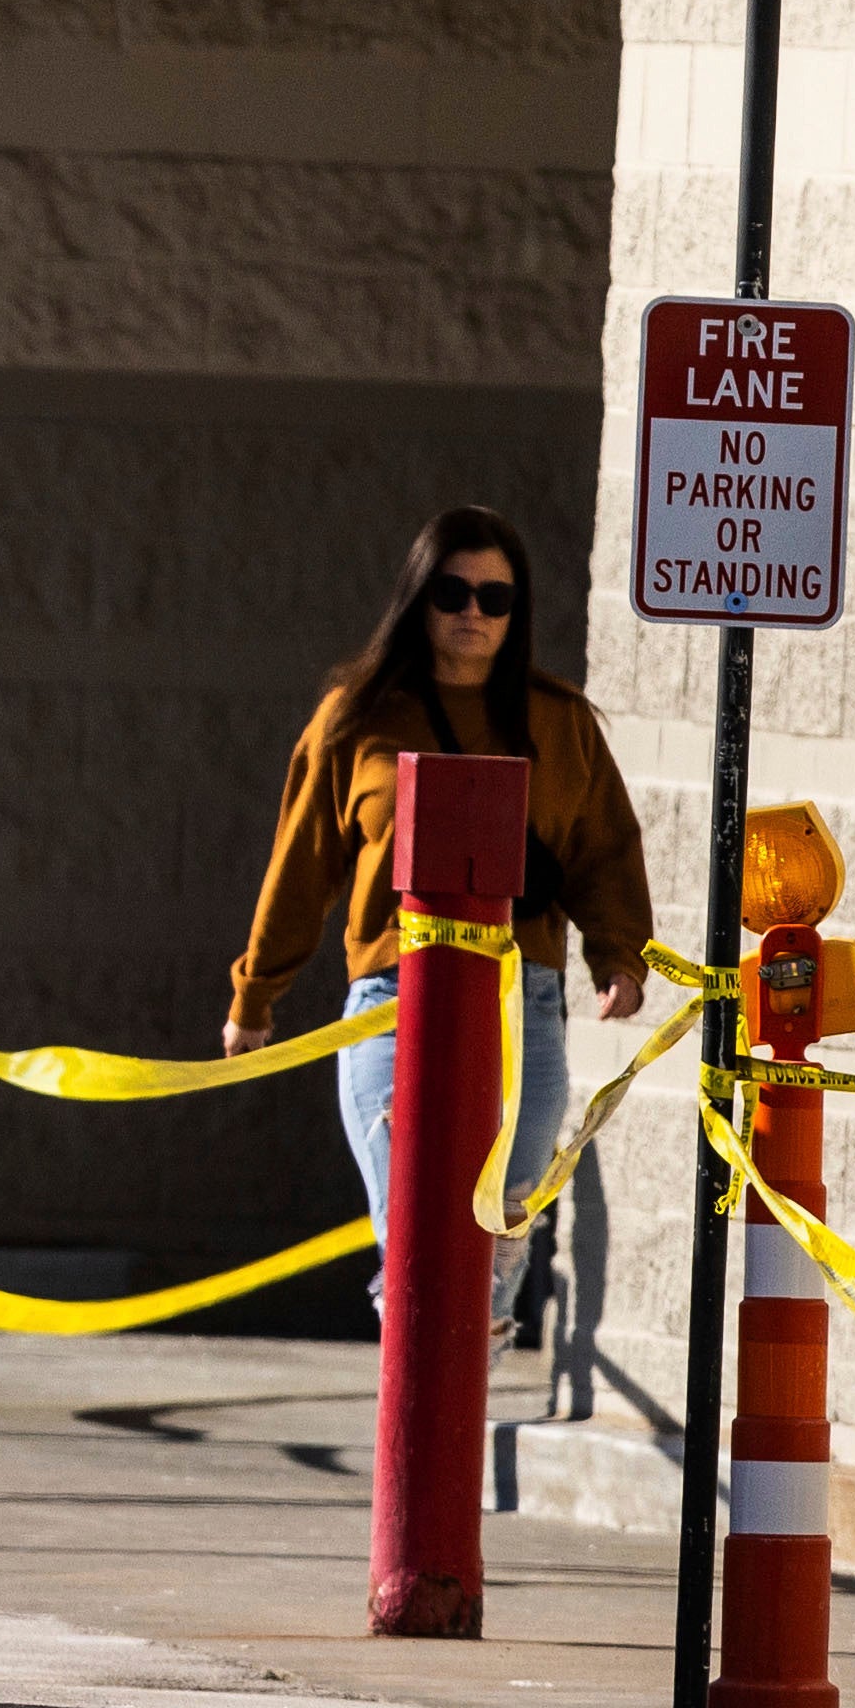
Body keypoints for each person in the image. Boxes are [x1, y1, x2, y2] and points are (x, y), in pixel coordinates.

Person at [226, 506, 654, 1224]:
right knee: (416, 1238)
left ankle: (479, 1340)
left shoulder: (558, 718)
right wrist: (253, 995)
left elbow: (603, 850)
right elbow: (300, 865)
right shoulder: (355, 716)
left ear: (516, 611)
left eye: (495, 597)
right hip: (393, 1003)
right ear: (417, 598)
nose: (472, 612)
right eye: (450, 593)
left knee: (500, 1236)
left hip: (524, 1001)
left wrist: (620, 959)